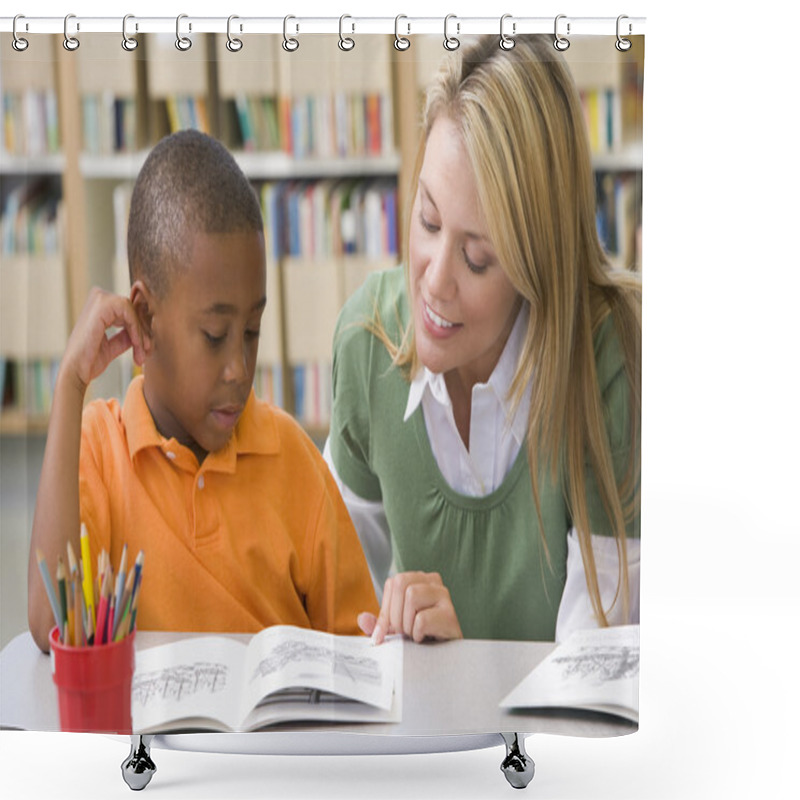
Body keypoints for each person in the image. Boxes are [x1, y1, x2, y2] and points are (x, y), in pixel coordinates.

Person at [324, 34, 641, 644]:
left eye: (476, 259)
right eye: (427, 221)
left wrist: (463, 668)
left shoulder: (607, 362)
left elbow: (592, 670)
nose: (435, 282)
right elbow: (336, 605)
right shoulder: (366, 342)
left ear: (536, 265)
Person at [28, 130, 378, 653]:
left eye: (252, 332)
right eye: (215, 337)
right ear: (145, 315)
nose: (239, 367)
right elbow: (50, 624)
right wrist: (69, 386)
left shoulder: (293, 460)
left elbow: (360, 645)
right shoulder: (99, 451)